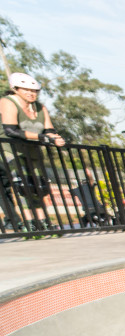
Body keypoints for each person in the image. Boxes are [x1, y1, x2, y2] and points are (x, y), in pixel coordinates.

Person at [1, 73, 65, 231]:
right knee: (23, 185)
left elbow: (49, 128)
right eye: (26, 90)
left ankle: (43, 222)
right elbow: (11, 130)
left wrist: (54, 138)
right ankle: (29, 223)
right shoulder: (7, 102)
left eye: (34, 91)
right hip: (9, 150)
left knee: (39, 186)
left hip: (32, 149)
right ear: (15, 89)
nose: (31, 93)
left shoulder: (40, 107)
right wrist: (41, 137)